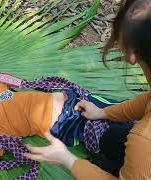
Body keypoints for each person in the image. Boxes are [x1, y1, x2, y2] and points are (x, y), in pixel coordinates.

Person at [23, 0, 151, 179]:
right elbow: (147, 101)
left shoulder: (143, 140)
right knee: (112, 139)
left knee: (98, 164)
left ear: (132, 54)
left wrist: (66, 159)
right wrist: (103, 112)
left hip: (142, 152)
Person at [0, 75, 129, 169]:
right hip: (69, 126)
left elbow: (4, 80)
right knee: (115, 141)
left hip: (74, 100)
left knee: (122, 111)